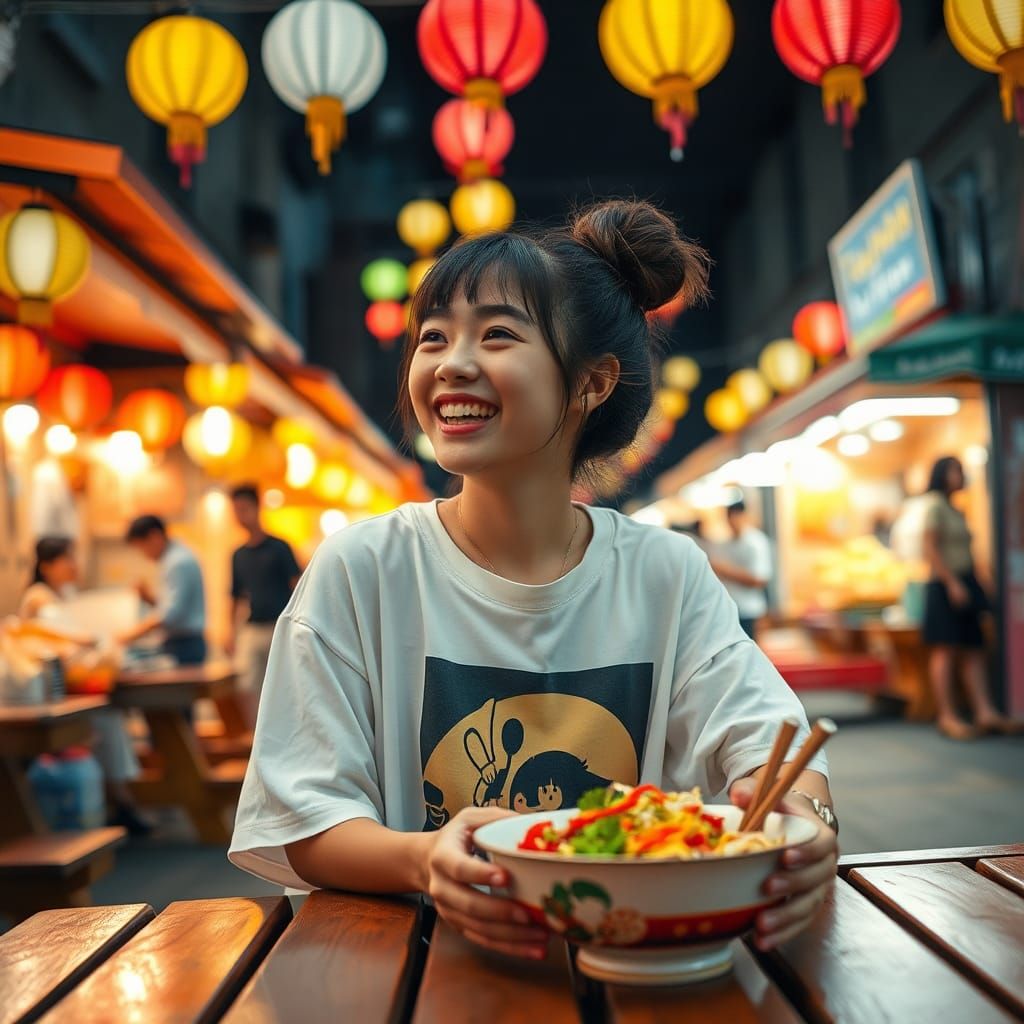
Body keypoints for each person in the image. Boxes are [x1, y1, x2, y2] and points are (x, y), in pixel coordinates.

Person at [229, 200, 838, 959]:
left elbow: (771, 751)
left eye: (496, 335)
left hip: (636, 962)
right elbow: (304, 821)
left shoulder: (664, 573)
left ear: (591, 383)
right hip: (424, 967)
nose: (450, 362)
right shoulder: (365, 568)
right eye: (432, 337)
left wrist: (808, 829)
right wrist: (423, 859)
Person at [21, 537, 153, 835]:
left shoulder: (62, 594)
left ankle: (120, 801)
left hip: (67, 685)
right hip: (50, 690)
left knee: (110, 720)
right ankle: (122, 803)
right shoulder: (38, 596)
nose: (74, 565)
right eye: (67, 559)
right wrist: (91, 639)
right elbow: (57, 633)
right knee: (105, 723)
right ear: (47, 566)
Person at [921, 456, 1022, 739]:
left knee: (974, 648)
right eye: (956, 470)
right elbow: (930, 548)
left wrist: (982, 581)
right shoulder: (935, 507)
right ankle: (947, 715)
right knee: (946, 649)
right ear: (942, 474)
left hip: (966, 581)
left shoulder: (957, 509)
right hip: (944, 584)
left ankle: (984, 711)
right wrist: (951, 582)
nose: (961, 475)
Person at [228, 484, 301, 726]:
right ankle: (255, 736)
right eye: (236, 510)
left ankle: (286, 732)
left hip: (279, 625)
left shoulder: (279, 547)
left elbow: (297, 585)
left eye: (245, 508)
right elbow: (235, 595)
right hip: (253, 627)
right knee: (246, 685)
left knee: (285, 683)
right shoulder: (238, 554)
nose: (241, 515)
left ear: (257, 508)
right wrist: (231, 632)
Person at [118, 515, 207, 666]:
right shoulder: (174, 557)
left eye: (142, 547)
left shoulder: (177, 562)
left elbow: (171, 613)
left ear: (154, 536)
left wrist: (131, 634)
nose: (144, 554)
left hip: (185, 643)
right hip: (183, 641)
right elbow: (171, 606)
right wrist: (149, 598)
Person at [708, 500, 772, 640]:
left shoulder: (756, 542)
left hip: (750, 610)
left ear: (743, 516)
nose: (732, 521)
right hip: (729, 610)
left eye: (735, 516)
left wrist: (725, 570)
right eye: (729, 517)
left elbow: (759, 579)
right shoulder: (725, 544)